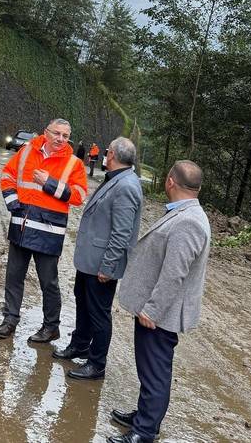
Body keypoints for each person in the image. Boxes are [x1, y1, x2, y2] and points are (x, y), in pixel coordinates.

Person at [107, 160, 211, 443]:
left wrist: (152, 309)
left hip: (161, 314)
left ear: (170, 181)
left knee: (155, 373)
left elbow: (174, 273)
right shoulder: (185, 212)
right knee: (149, 368)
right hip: (157, 310)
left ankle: (144, 432)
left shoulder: (188, 221)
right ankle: (145, 416)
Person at [54, 137, 143, 380]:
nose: (105, 155)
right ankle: (80, 344)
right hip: (90, 260)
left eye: (107, 152)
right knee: (83, 302)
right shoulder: (116, 179)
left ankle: (97, 363)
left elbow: (122, 233)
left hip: (101, 264)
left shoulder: (126, 186)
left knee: (99, 313)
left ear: (112, 155)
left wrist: (108, 266)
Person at [0, 118, 88, 343]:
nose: (61, 139)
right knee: (14, 276)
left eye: (66, 136)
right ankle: (10, 320)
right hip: (22, 224)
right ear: (46, 132)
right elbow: (7, 175)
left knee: (49, 282)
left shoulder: (73, 163)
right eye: (57, 134)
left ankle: (51, 327)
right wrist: (12, 201)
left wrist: (50, 183)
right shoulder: (27, 150)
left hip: (49, 231)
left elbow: (79, 195)